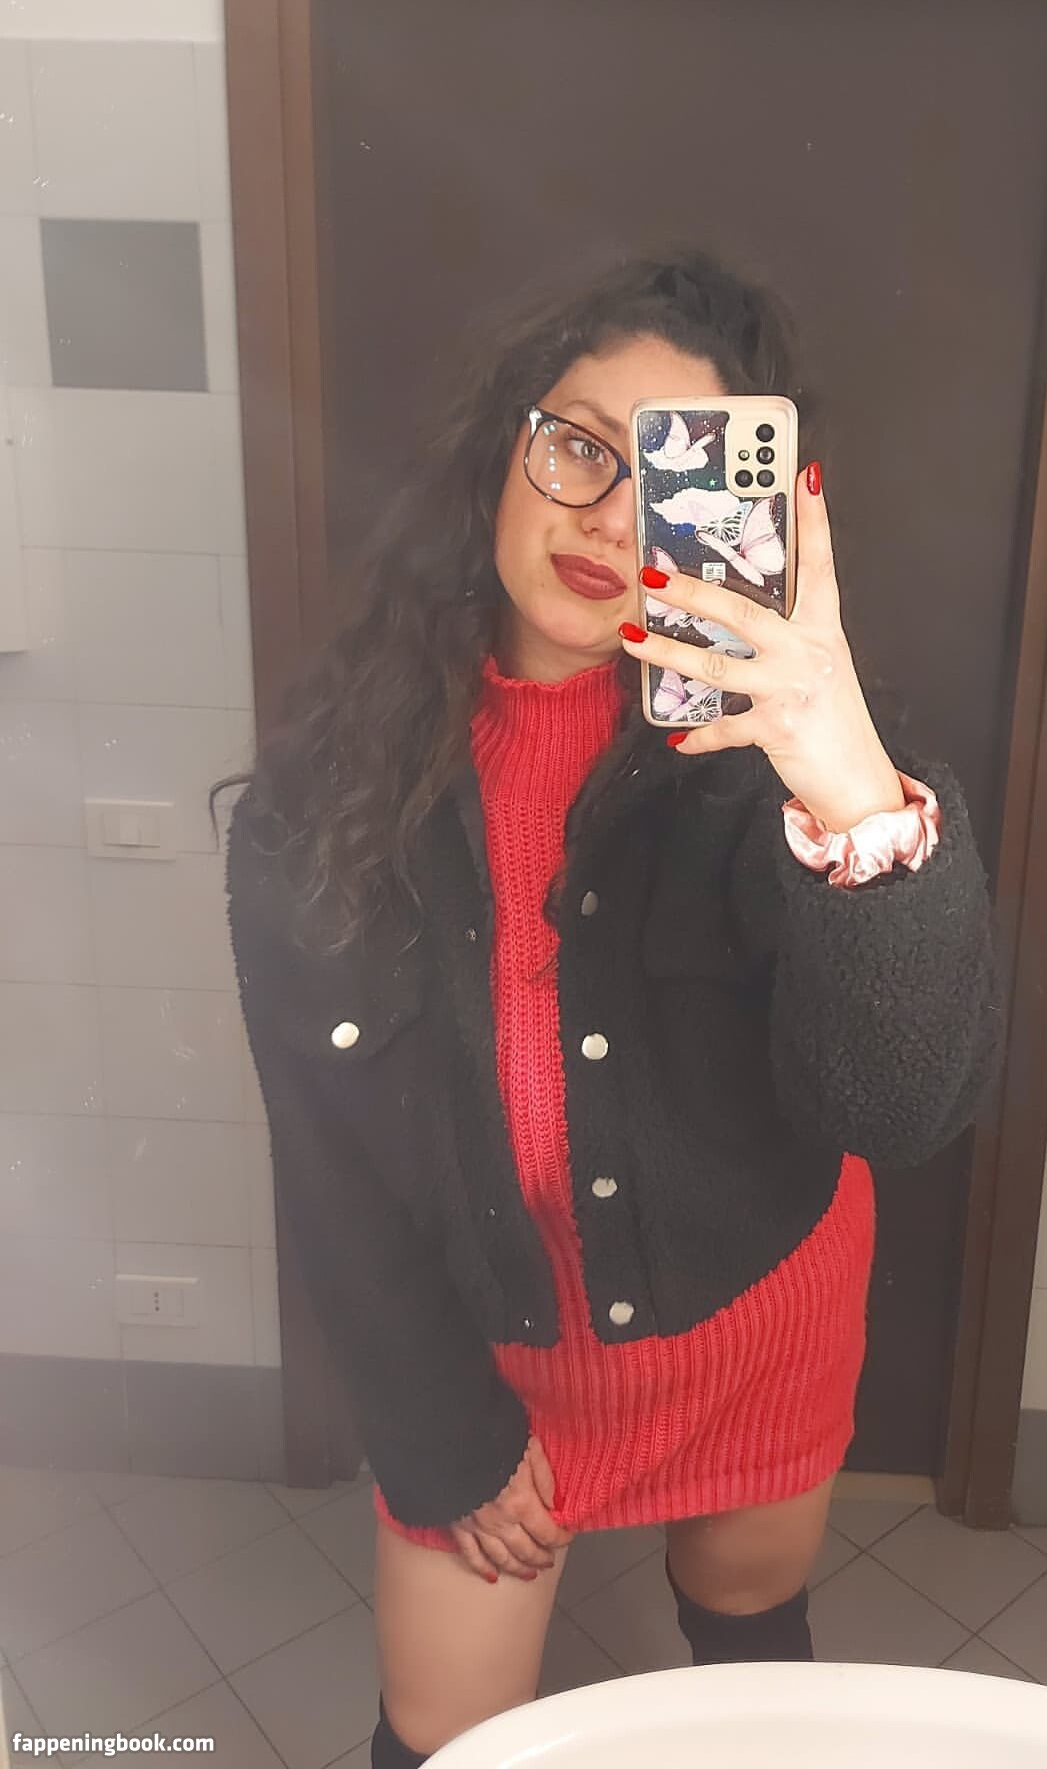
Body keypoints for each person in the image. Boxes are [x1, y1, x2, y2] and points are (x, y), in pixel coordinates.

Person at [219, 250, 1003, 1766]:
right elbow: (326, 1157)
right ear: (501, 450)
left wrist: (838, 763)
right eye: (581, 446)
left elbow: (903, 1109)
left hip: (753, 1322)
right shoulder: (328, 796)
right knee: (442, 1731)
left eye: (676, 480)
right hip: (487, 1343)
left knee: (749, 1653)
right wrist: (439, 1427)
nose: (614, 519)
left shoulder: (784, 765)